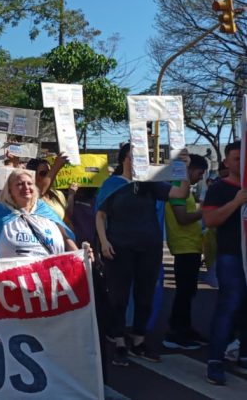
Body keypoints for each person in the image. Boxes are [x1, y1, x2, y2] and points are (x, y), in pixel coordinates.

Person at [96, 142, 191, 367]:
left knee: (145, 295)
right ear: (124, 160)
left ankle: (138, 339)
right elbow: (100, 215)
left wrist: (183, 170)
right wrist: (103, 241)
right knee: (118, 296)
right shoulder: (112, 184)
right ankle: (118, 339)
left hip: (149, 247)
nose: (138, 160)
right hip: (119, 247)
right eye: (133, 156)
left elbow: (180, 193)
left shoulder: (151, 184)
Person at [202, 141, 247, 385]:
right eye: (237, 158)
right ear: (227, 162)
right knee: (228, 306)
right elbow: (209, 220)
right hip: (231, 256)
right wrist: (236, 203)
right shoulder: (219, 188)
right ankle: (215, 360)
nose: (241, 162)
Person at [0, 169, 77, 259]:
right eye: (20, 184)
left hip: (49, 276)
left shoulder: (45, 210)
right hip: (12, 278)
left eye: (29, 183)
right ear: (10, 190)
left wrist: (80, 257)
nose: (26, 187)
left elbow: (66, 239)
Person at [163, 154, 209, 350]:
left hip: (190, 245)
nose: (200, 177)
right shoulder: (177, 190)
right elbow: (182, 218)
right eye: (199, 173)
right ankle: (176, 332)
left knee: (188, 291)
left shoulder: (184, 190)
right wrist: (205, 211)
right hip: (184, 246)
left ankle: (185, 328)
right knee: (184, 292)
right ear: (190, 170)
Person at [26, 154, 69, 221]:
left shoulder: (58, 194)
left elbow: (66, 221)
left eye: (50, 172)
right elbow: (41, 192)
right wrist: (56, 166)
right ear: (32, 176)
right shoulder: (29, 195)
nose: (49, 176)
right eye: (43, 173)